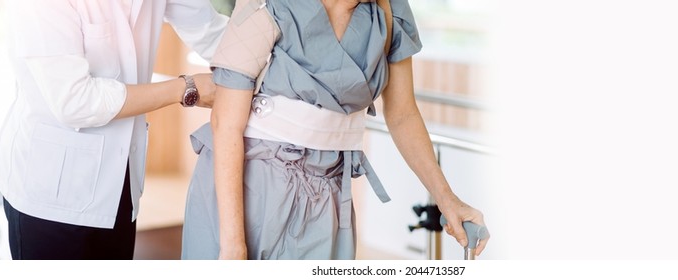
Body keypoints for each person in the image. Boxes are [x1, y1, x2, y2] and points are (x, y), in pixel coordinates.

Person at [181, 0, 489, 260]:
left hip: (327, 194)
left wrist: (447, 199)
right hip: (246, 187)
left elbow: (403, 114)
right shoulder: (268, 5)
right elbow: (225, 125)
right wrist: (233, 245)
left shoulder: (390, 13)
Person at [0, 0, 228, 259]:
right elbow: (75, 101)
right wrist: (184, 88)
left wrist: (268, 48)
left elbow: (210, 31)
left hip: (119, 182)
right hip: (50, 193)